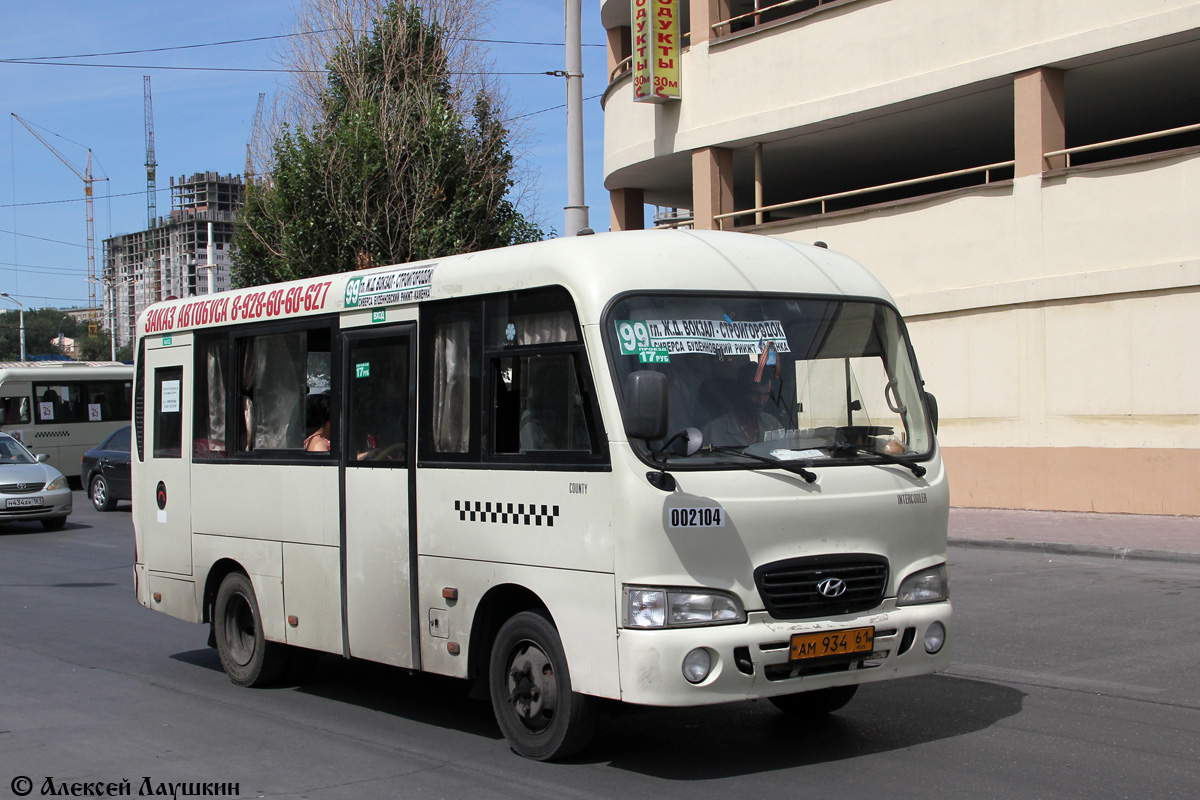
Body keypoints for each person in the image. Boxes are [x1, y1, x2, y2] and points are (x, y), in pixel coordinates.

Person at [701, 362, 783, 447]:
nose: (761, 401)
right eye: (755, 393)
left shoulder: (772, 425)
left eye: (766, 394)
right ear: (741, 392)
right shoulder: (714, 431)